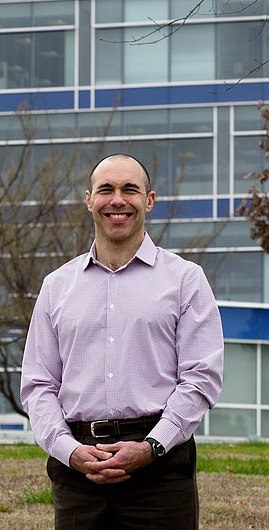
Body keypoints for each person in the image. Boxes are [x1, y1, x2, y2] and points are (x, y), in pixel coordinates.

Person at [19, 153, 224, 529]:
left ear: (149, 200)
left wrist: (151, 447)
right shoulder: (56, 287)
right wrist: (70, 451)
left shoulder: (185, 280)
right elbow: (38, 385)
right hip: (78, 470)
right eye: (106, 190)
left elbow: (201, 378)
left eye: (130, 190)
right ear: (89, 200)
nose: (117, 200)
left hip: (160, 469)